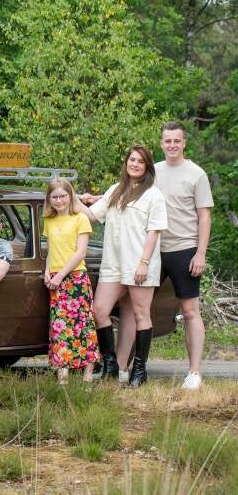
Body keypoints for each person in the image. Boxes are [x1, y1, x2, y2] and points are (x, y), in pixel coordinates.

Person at [78, 145, 167, 387]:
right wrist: (68, 197)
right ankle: (111, 365)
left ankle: (139, 370)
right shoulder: (115, 190)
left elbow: (153, 232)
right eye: (131, 160)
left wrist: (143, 263)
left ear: (147, 166)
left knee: (140, 314)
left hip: (139, 264)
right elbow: (91, 216)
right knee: (99, 310)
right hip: (113, 264)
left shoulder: (154, 195)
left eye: (140, 161)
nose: (135, 164)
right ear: (126, 163)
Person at [155, 122, 213, 389]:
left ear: (184, 142)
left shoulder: (196, 174)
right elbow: (126, 193)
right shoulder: (153, 171)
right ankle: (125, 368)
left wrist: (200, 253)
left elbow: (204, 216)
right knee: (135, 306)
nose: (172, 146)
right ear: (161, 143)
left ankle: (194, 373)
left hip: (185, 249)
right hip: (155, 249)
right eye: (168, 141)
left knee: (190, 312)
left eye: (176, 141)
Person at [42, 178, 98, 384]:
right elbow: (50, 251)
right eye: (54, 197)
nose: (59, 201)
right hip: (56, 279)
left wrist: (59, 276)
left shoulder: (80, 218)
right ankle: (62, 376)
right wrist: (48, 271)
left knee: (82, 326)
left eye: (63, 196)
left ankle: (88, 375)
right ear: (49, 199)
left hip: (75, 278)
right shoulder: (48, 220)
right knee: (60, 328)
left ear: (70, 196)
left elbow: (79, 253)